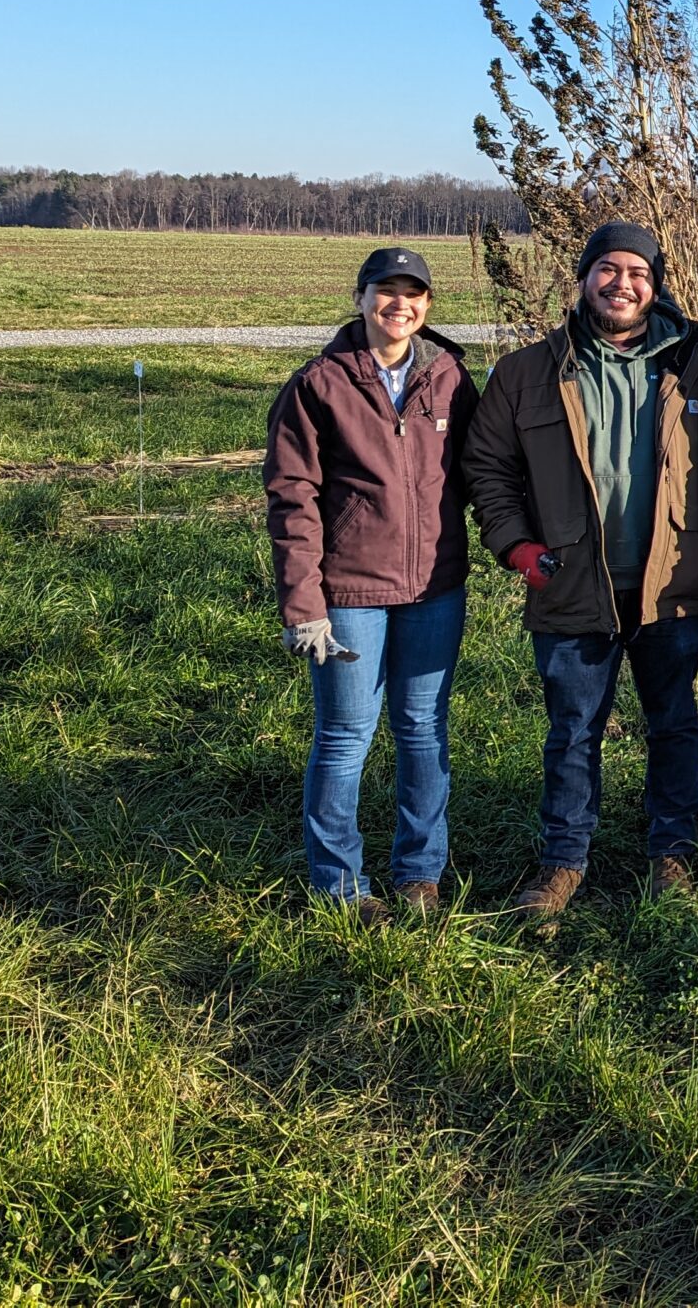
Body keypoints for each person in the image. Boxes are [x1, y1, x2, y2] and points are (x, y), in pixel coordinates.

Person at [465, 220, 698, 921]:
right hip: (572, 580)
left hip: (671, 582)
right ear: (583, 279)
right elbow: (487, 467)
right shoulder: (528, 372)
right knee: (573, 728)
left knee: (673, 724)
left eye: (637, 273)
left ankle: (672, 853)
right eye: (607, 269)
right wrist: (517, 548)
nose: (622, 284)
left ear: (655, 285)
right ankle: (563, 861)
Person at [264, 246, 479, 925]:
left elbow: (482, 475)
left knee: (423, 730)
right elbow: (292, 498)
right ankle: (339, 883)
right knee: (345, 734)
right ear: (360, 298)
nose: (400, 304)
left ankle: (421, 872)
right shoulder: (319, 385)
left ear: (428, 306)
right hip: (349, 595)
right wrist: (305, 604)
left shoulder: (449, 379)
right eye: (386, 291)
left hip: (434, 590)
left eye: (414, 294)